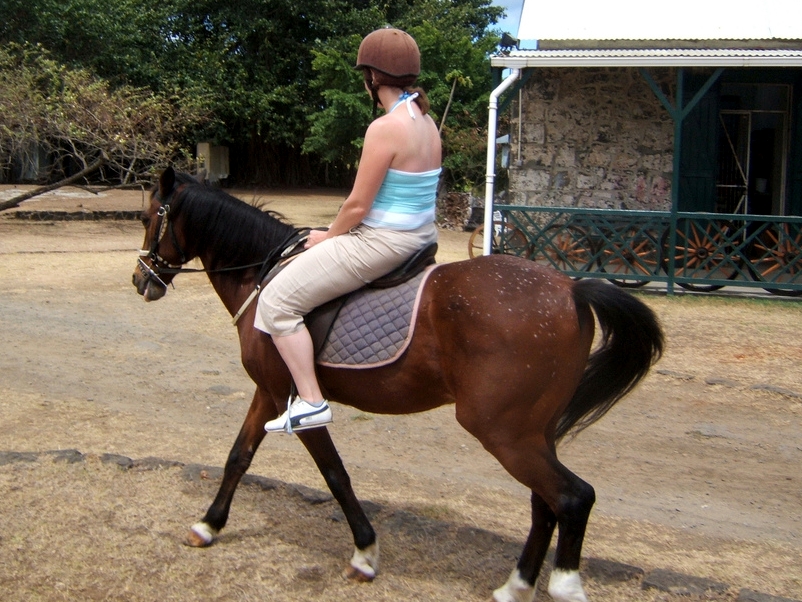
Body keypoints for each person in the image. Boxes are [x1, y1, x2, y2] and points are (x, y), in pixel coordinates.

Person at [254, 27, 442, 433]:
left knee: (276, 304)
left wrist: (328, 235)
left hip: (383, 242)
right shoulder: (426, 123)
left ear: (372, 77)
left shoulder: (385, 128)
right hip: (422, 237)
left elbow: (357, 205)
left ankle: (311, 400)